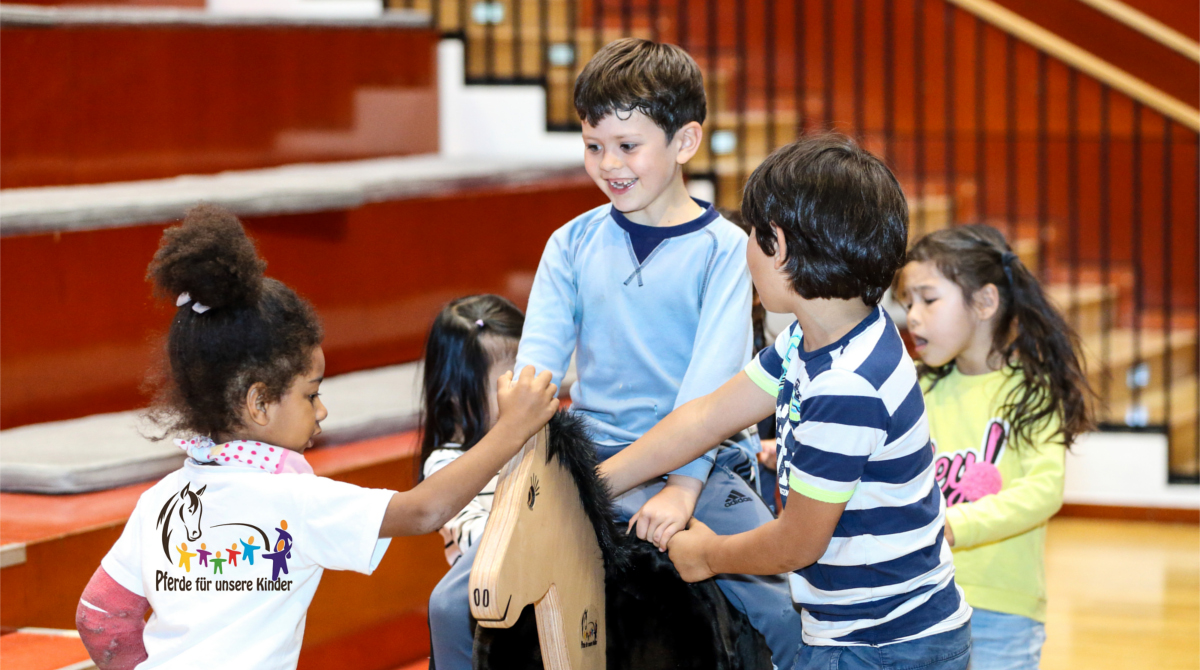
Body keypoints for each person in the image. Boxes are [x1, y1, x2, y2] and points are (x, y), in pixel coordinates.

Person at [74, 205, 558, 670]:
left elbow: (100, 615)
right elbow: (424, 511)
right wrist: (513, 428)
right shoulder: (293, 499)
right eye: (311, 395)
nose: (322, 411)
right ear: (260, 403)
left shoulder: (160, 500)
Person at [487, 36, 802, 670]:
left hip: (700, 466)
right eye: (593, 145)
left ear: (684, 142)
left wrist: (683, 489)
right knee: (453, 602)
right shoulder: (570, 243)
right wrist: (517, 462)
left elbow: (708, 398)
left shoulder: (724, 251)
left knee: (783, 612)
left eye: (628, 146)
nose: (609, 164)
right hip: (592, 456)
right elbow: (535, 373)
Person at [600, 134, 973, 670]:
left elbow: (798, 542)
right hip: (863, 632)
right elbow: (707, 416)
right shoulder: (813, 337)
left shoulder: (848, 383)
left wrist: (708, 556)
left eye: (751, 233)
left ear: (779, 244)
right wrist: (595, 484)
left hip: (884, 648)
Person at [896, 224, 1093, 670]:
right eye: (908, 302)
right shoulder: (911, 386)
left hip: (1002, 612)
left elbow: (1042, 491)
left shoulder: (1032, 391)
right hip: (922, 602)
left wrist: (952, 524)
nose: (912, 315)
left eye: (928, 299)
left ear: (984, 302)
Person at [423, 295, 526, 664]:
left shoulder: (542, 442)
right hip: (487, 620)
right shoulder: (447, 464)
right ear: (455, 392)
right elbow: (474, 539)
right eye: (508, 381)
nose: (524, 392)